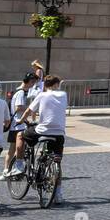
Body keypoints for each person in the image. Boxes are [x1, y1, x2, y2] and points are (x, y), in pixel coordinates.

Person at [14, 74, 68, 203]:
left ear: (46, 85)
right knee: (57, 162)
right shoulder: (64, 95)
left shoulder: (42, 96)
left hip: (42, 130)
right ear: (55, 85)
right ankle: (58, 194)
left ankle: (19, 164)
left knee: (20, 135)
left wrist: (21, 120)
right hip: (59, 133)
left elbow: (28, 110)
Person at [4, 73, 37, 180]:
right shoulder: (21, 92)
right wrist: (30, 108)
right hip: (18, 125)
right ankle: (13, 168)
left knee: (12, 149)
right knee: (17, 148)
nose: (33, 84)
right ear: (28, 81)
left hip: (17, 123)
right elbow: (19, 108)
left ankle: (7, 171)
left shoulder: (20, 91)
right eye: (32, 82)